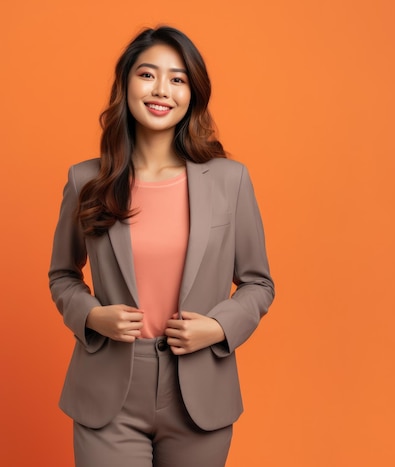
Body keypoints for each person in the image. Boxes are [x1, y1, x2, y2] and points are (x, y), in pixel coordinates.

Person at [48, 26, 274, 467]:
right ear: (126, 84)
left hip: (199, 391)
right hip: (108, 391)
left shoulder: (231, 181)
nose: (161, 90)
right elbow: (62, 274)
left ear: (192, 93)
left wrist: (218, 327)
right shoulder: (85, 180)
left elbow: (258, 283)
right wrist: (92, 316)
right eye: (148, 75)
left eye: (177, 78)